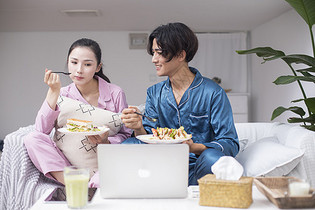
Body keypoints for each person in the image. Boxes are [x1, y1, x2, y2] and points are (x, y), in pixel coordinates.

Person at [121, 22, 239, 185]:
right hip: (161, 165)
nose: (154, 59)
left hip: (200, 167)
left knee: (213, 157)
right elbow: (146, 137)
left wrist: (194, 147)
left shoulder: (213, 92)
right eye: (153, 53)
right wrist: (138, 127)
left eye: (159, 53)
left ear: (180, 55)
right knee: (129, 144)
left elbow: (230, 143)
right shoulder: (154, 93)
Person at [24, 38, 132, 187]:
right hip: (67, 162)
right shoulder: (62, 93)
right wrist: (53, 92)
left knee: (101, 180)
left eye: (87, 64)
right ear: (67, 63)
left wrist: (106, 141)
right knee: (32, 138)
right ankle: (74, 183)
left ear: (98, 67)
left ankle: (87, 184)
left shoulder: (116, 93)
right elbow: (41, 130)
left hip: (103, 161)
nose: (79, 70)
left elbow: (126, 135)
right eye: (74, 62)